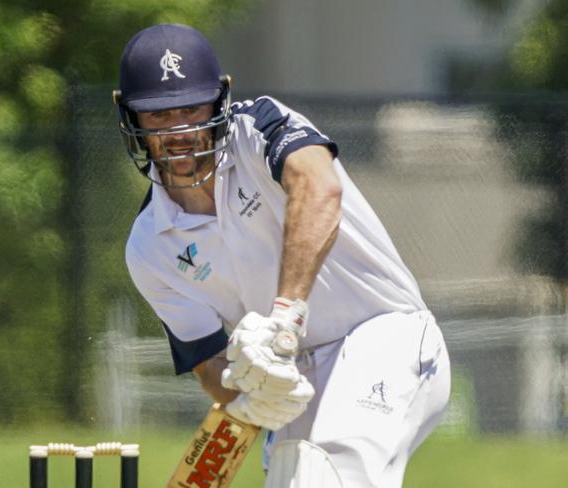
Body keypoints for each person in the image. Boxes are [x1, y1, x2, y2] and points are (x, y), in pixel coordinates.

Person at [114, 23, 451, 488]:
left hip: (385, 334)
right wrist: (251, 389)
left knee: (331, 474)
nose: (180, 130)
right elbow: (210, 367)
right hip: (297, 379)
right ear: (130, 116)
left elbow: (318, 187)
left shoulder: (260, 128)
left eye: (192, 108)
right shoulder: (149, 247)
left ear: (219, 100)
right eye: (159, 115)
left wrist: (285, 317)